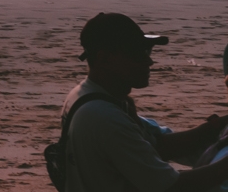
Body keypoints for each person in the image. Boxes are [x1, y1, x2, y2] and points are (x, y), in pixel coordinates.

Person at [54, 12, 228, 191]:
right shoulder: (104, 117)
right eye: (136, 53)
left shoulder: (86, 96)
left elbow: (157, 146)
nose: (149, 61)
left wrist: (215, 126)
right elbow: (172, 186)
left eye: (147, 51)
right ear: (104, 59)